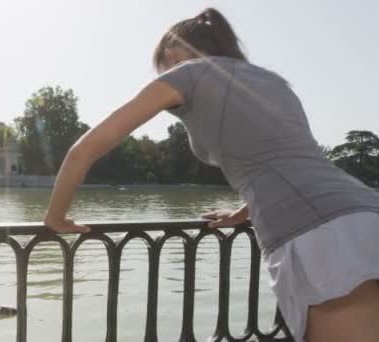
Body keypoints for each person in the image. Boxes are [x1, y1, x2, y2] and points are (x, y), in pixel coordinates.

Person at [42, 7, 379, 342]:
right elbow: (284, 158)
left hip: (317, 237)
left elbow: (85, 149)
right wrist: (242, 212)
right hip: (364, 213)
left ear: (171, 54)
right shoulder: (271, 81)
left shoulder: (186, 73)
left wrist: (56, 217)